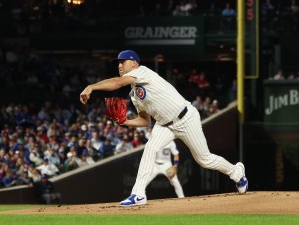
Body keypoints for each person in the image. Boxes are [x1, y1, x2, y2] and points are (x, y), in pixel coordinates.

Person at [79, 50, 248, 207]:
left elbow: (117, 82)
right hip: (164, 125)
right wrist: (125, 122)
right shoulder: (134, 95)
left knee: (204, 159)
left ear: (134, 64)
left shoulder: (142, 72)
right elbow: (145, 121)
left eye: (123, 61)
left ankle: (236, 172)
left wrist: (91, 87)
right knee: (150, 148)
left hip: (186, 117)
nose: (119, 65)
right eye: (118, 63)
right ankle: (138, 194)